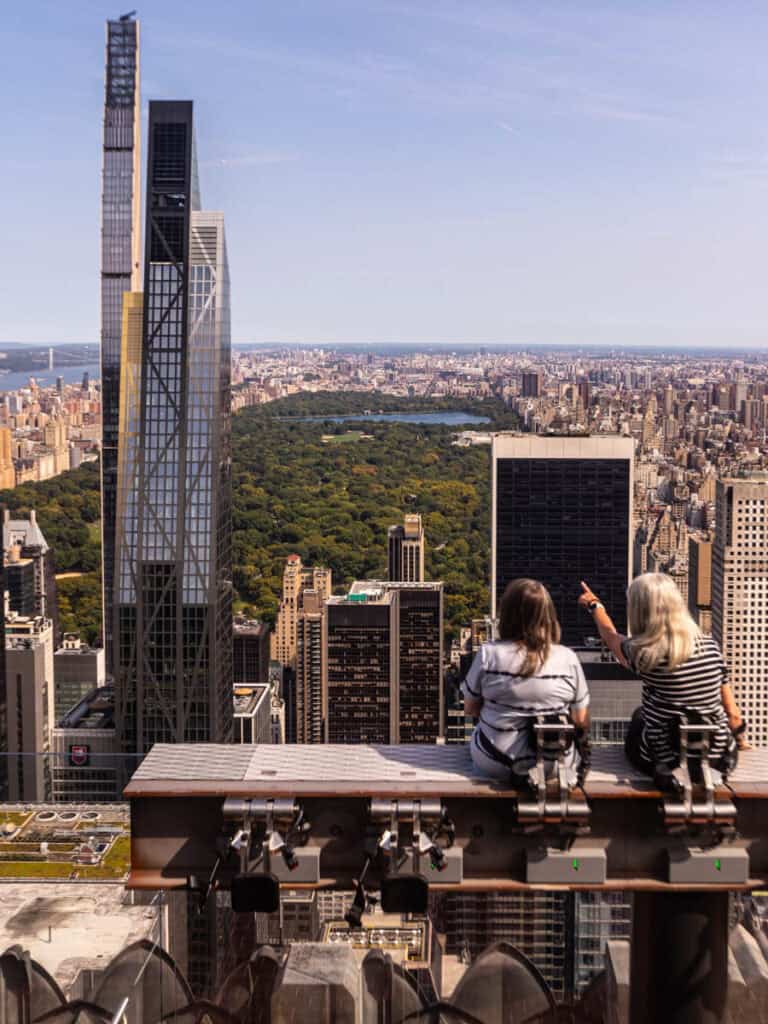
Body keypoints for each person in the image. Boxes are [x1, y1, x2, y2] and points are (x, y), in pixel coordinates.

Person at [578, 573, 749, 786]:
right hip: (717, 760)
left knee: (639, 716)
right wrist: (741, 740)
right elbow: (732, 713)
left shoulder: (644, 654)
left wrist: (594, 605)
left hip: (667, 764)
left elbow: (610, 635)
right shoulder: (711, 647)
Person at [462, 578, 590, 785]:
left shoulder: (489, 654)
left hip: (496, 760)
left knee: (477, 737)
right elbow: (581, 720)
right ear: (548, 616)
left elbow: (470, 709)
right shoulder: (568, 658)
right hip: (556, 763)